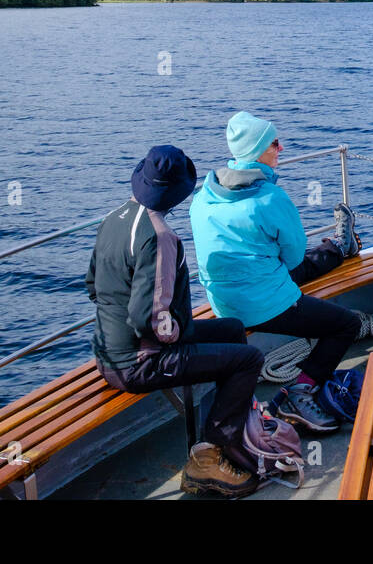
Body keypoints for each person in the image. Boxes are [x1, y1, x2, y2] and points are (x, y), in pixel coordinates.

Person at [86, 145, 265, 498]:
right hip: (139, 363)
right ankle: (208, 458)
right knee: (249, 360)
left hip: (109, 354)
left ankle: (234, 426)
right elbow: (149, 320)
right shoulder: (159, 238)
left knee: (231, 327)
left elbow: (93, 286)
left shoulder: (115, 217)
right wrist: (177, 332)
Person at [189, 111, 363, 434]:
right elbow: (295, 257)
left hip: (224, 304)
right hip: (265, 305)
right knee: (346, 324)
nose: (281, 149)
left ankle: (340, 246)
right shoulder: (270, 198)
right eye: (275, 143)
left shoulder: (202, 198)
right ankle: (301, 392)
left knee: (287, 267)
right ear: (258, 151)